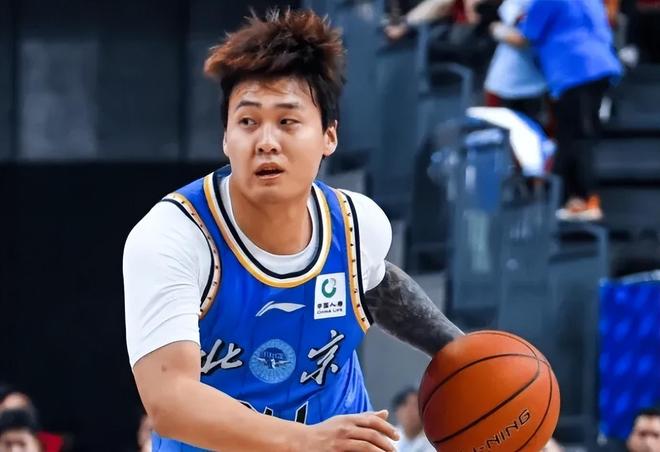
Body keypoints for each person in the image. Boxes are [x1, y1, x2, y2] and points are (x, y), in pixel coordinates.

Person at [123, 9, 464, 452]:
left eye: (287, 122)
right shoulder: (174, 237)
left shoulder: (357, 225)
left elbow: (375, 282)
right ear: (226, 138)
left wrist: (458, 349)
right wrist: (307, 441)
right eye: (247, 122)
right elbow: (170, 401)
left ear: (328, 136)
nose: (266, 141)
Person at [490, 0, 623, 221]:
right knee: (577, 134)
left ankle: (584, 199)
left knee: (576, 135)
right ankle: (574, 199)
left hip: (575, 70)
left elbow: (525, 37)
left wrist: (495, 29)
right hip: (600, 66)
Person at [391, 388, 434, 452]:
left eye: (414, 405)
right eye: (404, 405)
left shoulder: (434, 441)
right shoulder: (389, 441)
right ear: (397, 412)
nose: (410, 411)